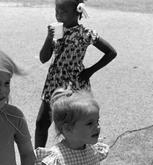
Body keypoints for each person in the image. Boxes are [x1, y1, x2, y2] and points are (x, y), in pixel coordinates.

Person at [35, 0, 117, 148]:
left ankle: (79, 155)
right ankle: (38, 160)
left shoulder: (86, 34)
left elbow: (111, 53)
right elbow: (43, 58)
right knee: (41, 122)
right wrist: (49, 38)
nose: (58, 15)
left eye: (63, 12)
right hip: (54, 82)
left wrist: (90, 71)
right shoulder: (57, 32)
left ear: (77, 12)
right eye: (57, 11)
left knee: (76, 123)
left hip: (75, 83)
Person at [35, 88, 109, 165]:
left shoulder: (93, 150)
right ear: (68, 129)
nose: (97, 127)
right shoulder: (55, 160)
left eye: (97, 121)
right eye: (90, 123)